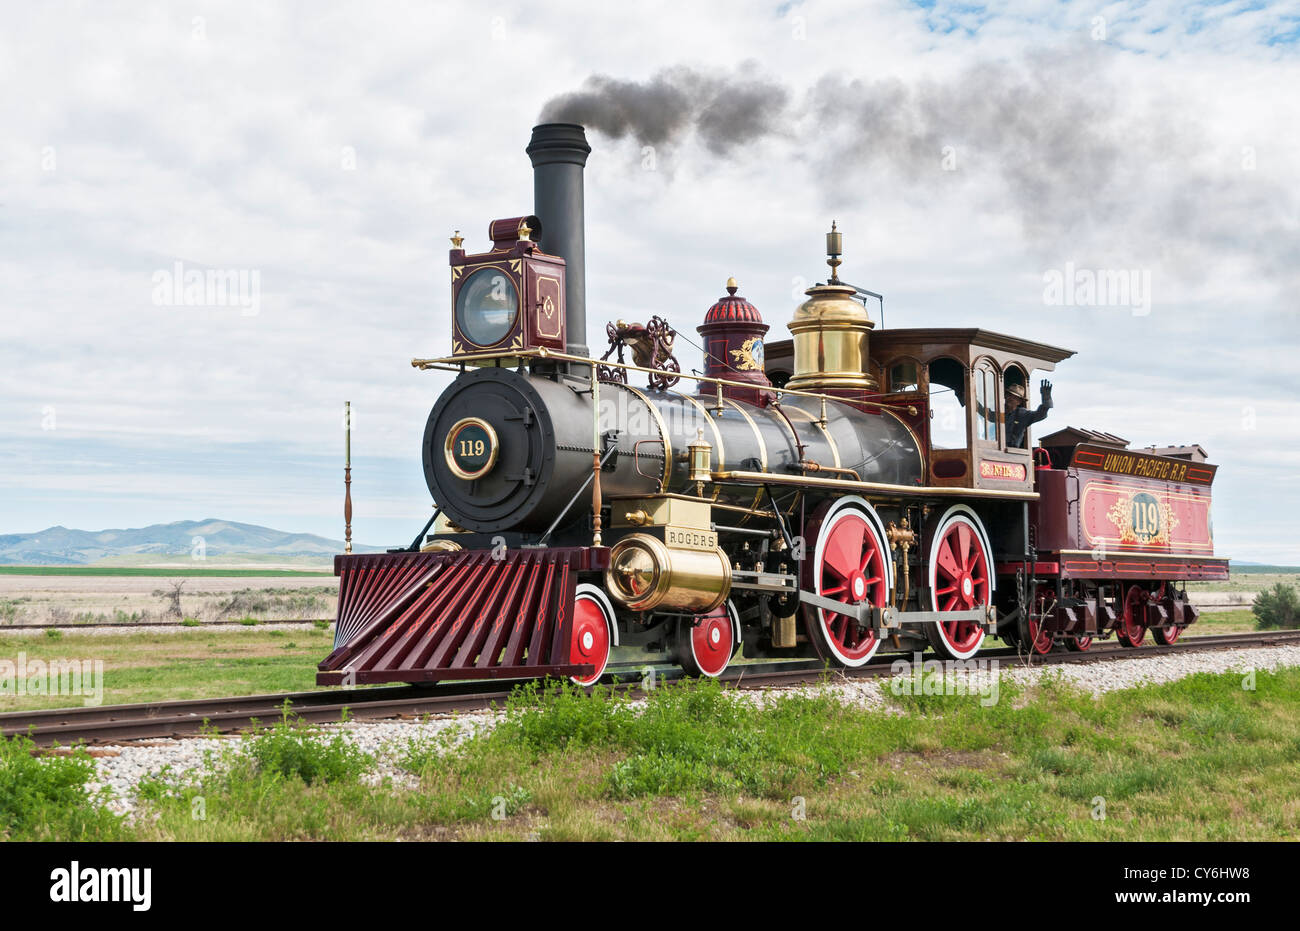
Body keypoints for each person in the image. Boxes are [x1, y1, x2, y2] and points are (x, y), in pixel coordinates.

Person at [1006, 380, 1052, 449]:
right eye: (1009, 395)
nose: (1010, 398)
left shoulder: (1022, 414)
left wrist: (1046, 398)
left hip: (1012, 452)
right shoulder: (1000, 412)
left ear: (1019, 401)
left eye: (1014, 397)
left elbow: (1041, 414)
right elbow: (988, 414)